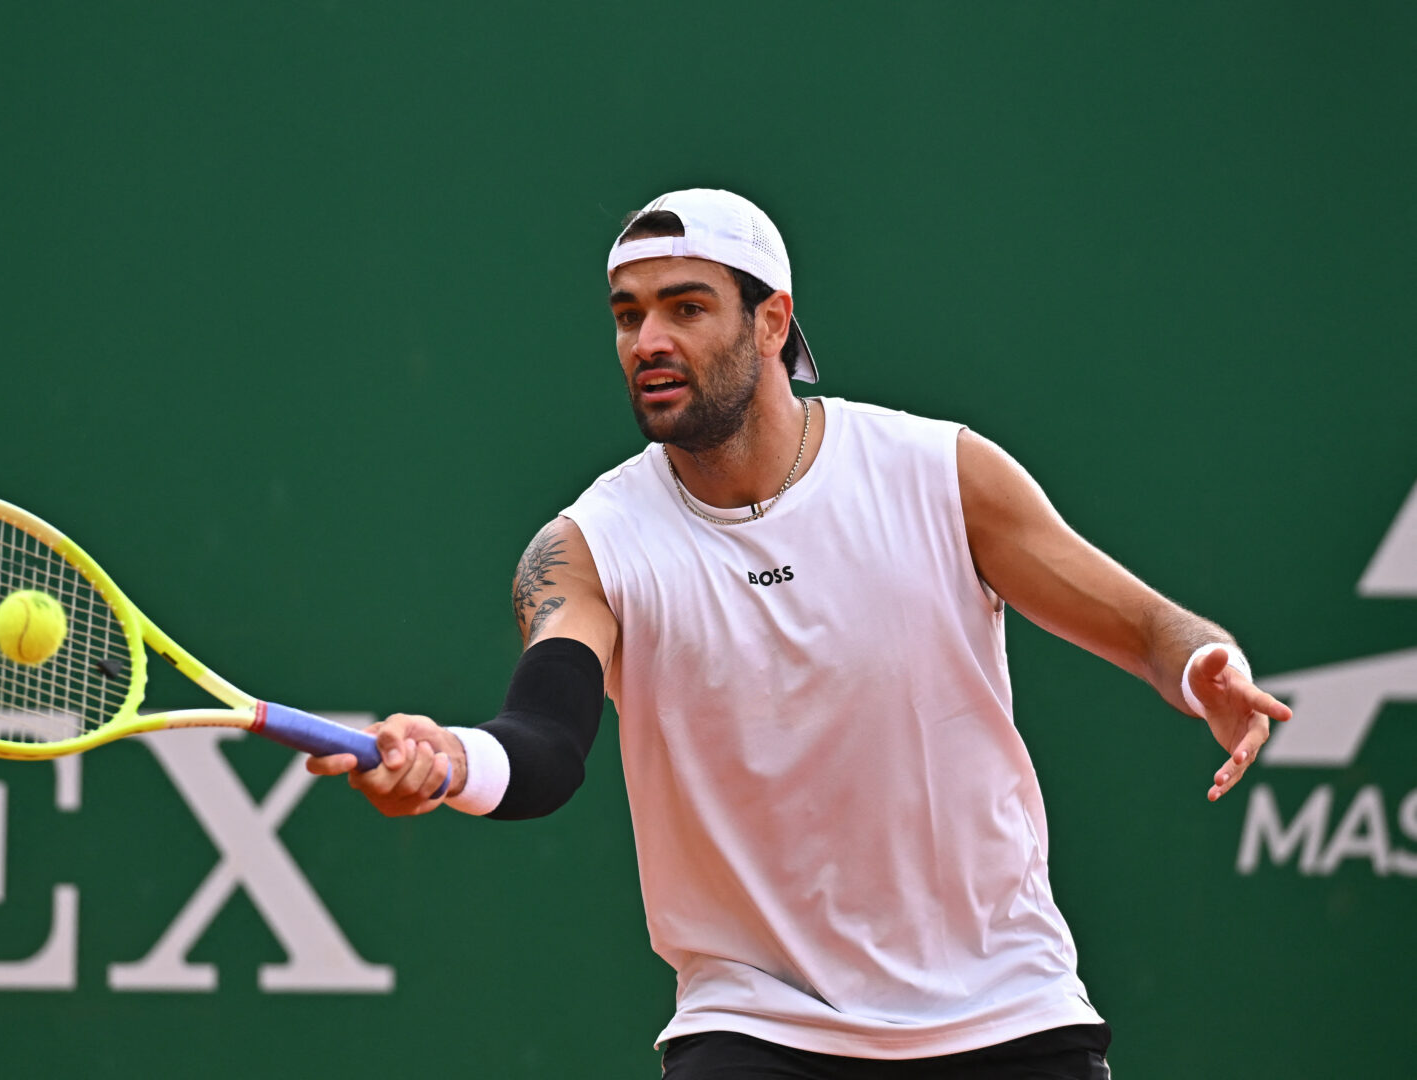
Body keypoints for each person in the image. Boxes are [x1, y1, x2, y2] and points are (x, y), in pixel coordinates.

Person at [307, 188, 1292, 1078]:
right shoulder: (586, 549)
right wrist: (449, 763)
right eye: (628, 315)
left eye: (686, 308)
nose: (648, 339)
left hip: (1005, 1012)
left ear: (771, 320)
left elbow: (1147, 629)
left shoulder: (942, 477)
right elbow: (545, 744)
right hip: (757, 1027)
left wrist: (1205, 665)